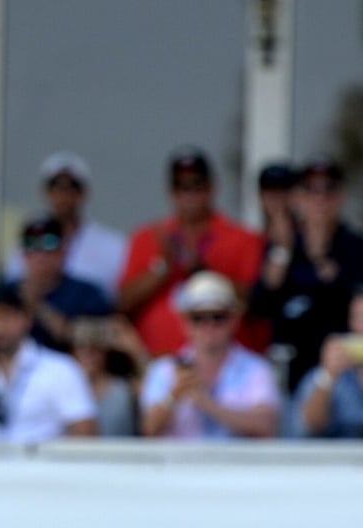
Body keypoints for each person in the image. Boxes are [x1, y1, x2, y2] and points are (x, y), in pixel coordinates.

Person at [117, 146, 264, 357]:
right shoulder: (148, 237)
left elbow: (255, 300)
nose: (189, 194)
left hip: (223, 365)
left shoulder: (243, 238)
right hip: (156, 362)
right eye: (180, 186)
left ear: (211, 187)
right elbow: (122, 302)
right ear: (170, 192)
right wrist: (161, 269)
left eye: (196, 185)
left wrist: (204, 271)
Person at [251, 156, 363, 393]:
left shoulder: (354, 247)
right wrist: (281, 251)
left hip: (342, 375)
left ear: (340, 196)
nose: (320, 199)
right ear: (299, 197)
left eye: (328, 190)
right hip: (289, 369)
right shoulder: (284, 246)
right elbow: (260, 303)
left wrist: (322, 262)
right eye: (311, 190)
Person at [0, 285, 97, 442]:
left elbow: (86, 432)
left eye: (7, 316)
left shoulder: (60, 369)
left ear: (27, 319)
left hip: (43, 464)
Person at [139, 271, 279, 439]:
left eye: (218, 317)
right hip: (178, 465)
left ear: (234, 320)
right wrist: (174, 395)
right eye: (198, 318)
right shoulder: (163, 369)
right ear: (184, 322)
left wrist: (205, 402)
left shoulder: (257, 369)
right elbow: (148, 429)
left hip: (236, 464)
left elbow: (266, 426)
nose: (208, 326)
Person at [2, 151, 128, 298]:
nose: (63, 195)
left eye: (72, 187)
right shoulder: (29, 238)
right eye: (55, 187)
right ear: (45, 192)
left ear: (84, 193)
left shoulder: (111, 243)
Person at [1, 215, 112, 352]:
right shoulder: (3, 293)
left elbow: (105, 338)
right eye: (31, 245)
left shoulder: (86, 293)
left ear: (64, 251)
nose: (39, 255)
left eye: (49, 244)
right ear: (23, 254)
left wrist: (38, 307)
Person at [293, 285, 363, 438]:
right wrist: (328, 376)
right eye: (358, 318)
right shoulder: (326, 373)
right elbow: (310, 425)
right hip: (337, 459)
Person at [70, 317, 142, 437]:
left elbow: (152, 389)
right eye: (82, 346)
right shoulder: (64, 389)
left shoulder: (126, 388)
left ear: (105, 351)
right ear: (74, 351)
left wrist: (134, 350)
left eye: (94, 347)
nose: (88, 353)